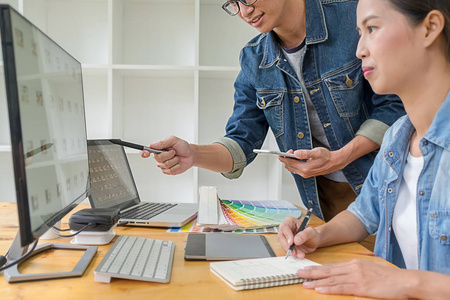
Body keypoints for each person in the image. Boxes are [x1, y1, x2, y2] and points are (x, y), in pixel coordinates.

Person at [143, 0, 405, 224]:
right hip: (328, 198)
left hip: (393, 182)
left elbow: (395, 105)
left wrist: (341, 157)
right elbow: (241, 141)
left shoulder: (353, 17)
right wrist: (193, 154)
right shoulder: (254, 58)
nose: (244, 12)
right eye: (233, 3)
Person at [277, 0, 450, 298]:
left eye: (372, 28)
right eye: (360, 32)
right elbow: (363, 213)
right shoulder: (398, 136)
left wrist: (405, 282)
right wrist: (317, 235)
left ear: (430, 28)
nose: (359, 50)